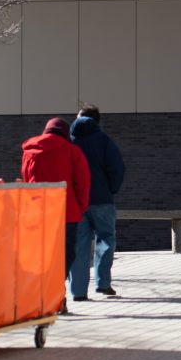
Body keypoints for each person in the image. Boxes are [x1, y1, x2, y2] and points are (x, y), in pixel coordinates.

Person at [21, 117, 90, 315]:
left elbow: (27, 179)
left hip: (37, 212)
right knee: (65, 255)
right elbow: (83, 182)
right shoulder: (72, 151)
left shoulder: (29, 151)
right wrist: (81, 206)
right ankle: (56, 295)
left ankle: (39, 296)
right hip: (66, 212)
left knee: (41, 255)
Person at [70, 104, 125, 301]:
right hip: (102, 200)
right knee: (106, 239)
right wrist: (111, 189)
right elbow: (117, 168)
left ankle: (78, 291)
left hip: (78, 202)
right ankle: (102, 283)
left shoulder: (71, 140)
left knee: (79, 245)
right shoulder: (104, 141)